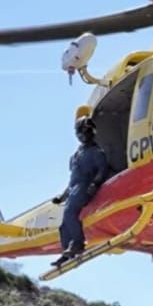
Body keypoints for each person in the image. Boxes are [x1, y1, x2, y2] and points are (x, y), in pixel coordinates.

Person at [51, 114, 111, 266]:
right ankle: (66, 252)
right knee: (64, 224)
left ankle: (77, 244)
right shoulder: (76, 155)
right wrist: (62, 196)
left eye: (89, 132)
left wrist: (95, 184)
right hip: (74, 189)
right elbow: (73, 180)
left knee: (70, 212)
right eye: (85, 131)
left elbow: (102, 170)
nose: (87, 135)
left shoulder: (97, 152)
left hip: (84, 187)